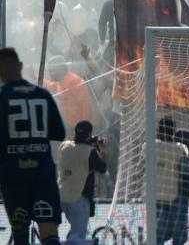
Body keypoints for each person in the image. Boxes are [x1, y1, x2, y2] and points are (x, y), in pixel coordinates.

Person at [0, 47, 66, 245]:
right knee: (49, 232)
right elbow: (59, 134)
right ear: (20, 66)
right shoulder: (43, 94)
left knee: (20, 232)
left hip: (13, 176)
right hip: (43, 174)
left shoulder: (2, 97)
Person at [58, 120, 108, 241]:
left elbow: (76, 148)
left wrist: (90, 143)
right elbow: (102, 168)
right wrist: (102, 150)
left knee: (73, 234)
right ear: (89, 134)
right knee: (78, 237)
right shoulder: (89, 152)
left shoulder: (64, 146)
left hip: (62, 196)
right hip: (79, 198)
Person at [155, 116, 189, 244]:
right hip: (176, 196)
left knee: (158, 233)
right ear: (173, 131)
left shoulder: (150, 147)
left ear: (158, 130)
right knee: (179, 234)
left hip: (156, 196)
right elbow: (187, 174)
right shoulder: (181, 149)